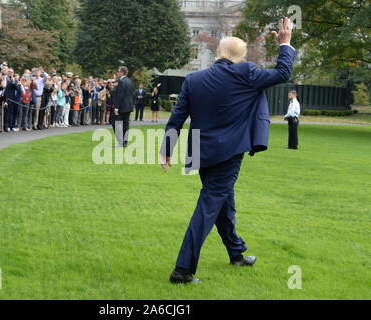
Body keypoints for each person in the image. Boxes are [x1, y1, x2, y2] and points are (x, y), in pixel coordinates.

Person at [160, 17, 297, 284]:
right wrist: (286, 43)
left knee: (224, 205)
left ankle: (236, 253)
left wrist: (167, 148)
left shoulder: (194, 79)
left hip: (201, 151)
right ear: (240, 56)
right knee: (209, 206)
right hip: (228, 152)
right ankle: (182, 270)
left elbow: (177, 117)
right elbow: (282, 73)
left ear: (219, 53)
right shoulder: (246, 73)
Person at [112, 66, 134, 147]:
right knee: (125, 125)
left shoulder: (122, 82)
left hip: (121, 107)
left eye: (118, 71)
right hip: (128, 106)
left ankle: (120, 142)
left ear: (122, 72)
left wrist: (116, 108)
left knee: (116, 123)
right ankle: (124, 142)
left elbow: (120, 96)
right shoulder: (129, 81)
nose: (117, 73)